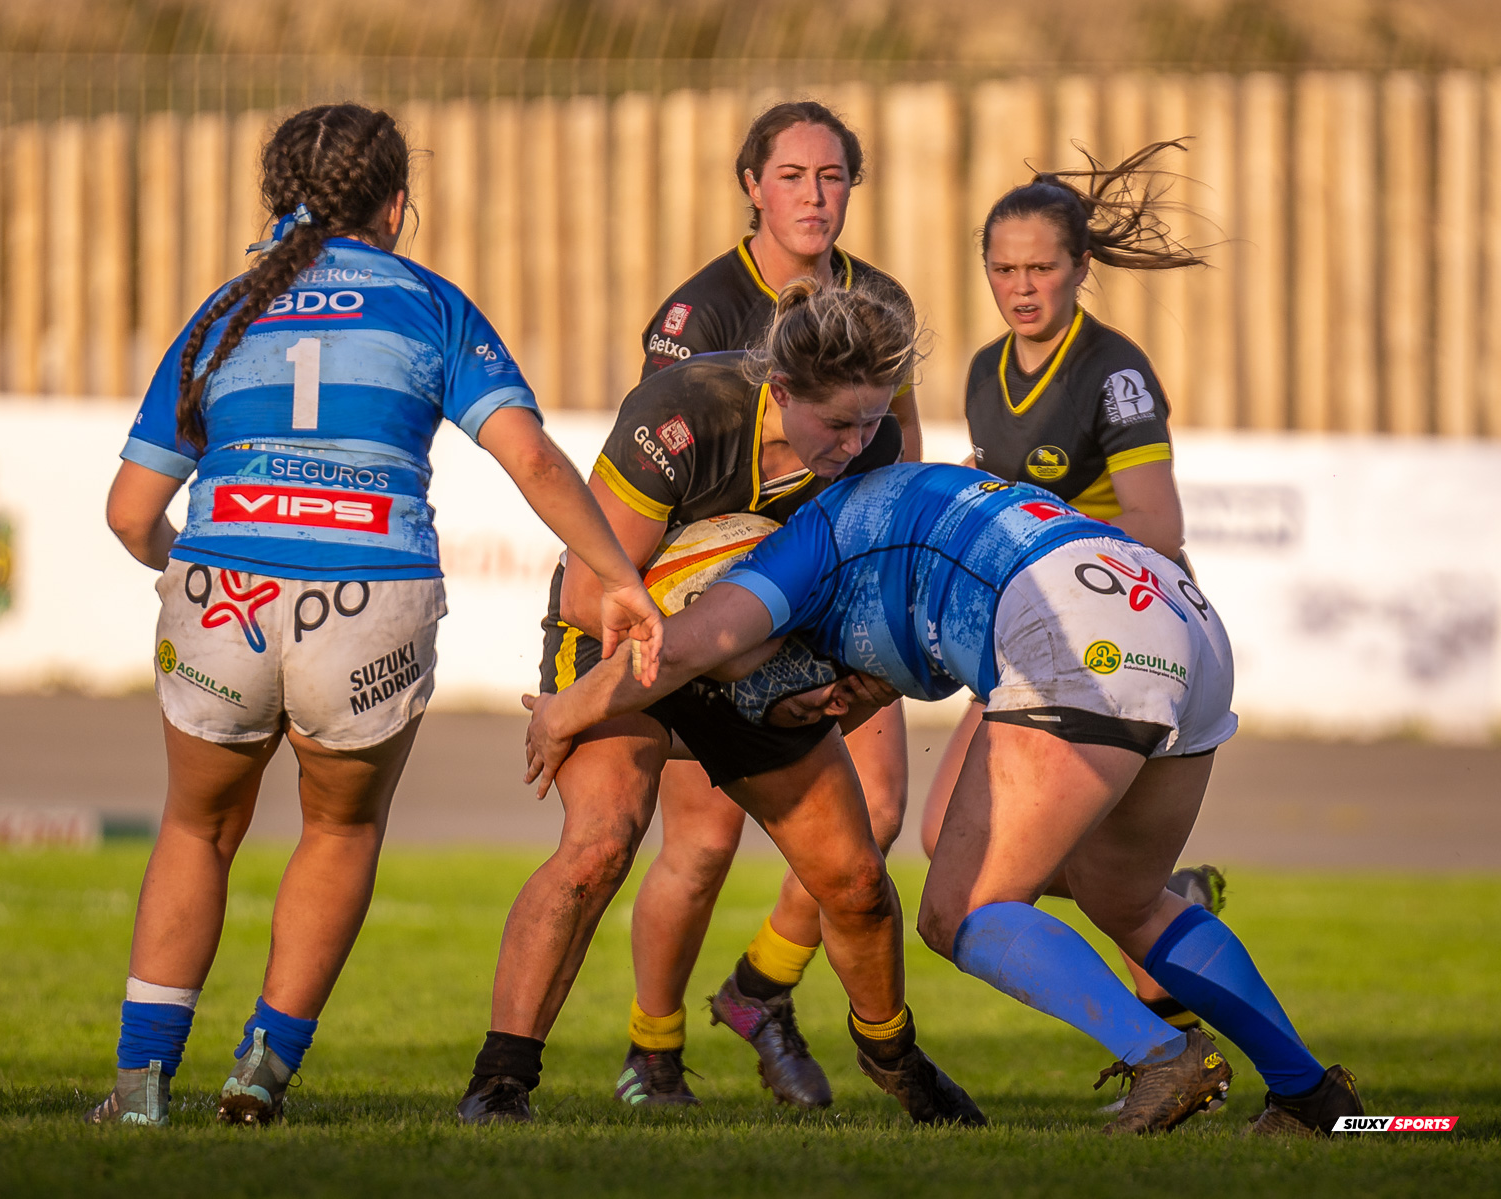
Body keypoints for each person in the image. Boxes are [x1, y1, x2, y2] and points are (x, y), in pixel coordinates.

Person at [88, 102, 662, 1128]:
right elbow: (532, 457)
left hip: (224, 592)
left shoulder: (224, 312)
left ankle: (139, 1090)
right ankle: (261, 1070)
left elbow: (131, 512)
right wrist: (618, 574)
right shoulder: (430, 304)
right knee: (340, 825)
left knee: (196, 826)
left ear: (276, 197)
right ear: (396, 205)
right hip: (371, 597)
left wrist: (198, 566)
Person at [524, 461, 1366, 1137]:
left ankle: (1164, 1056)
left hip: (1083, 633)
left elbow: (682, 648)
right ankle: (1310, 1094)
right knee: (1129, 899)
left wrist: (564, 710)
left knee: (963, 911)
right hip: (1175, 607)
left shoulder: (789, 558)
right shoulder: (870, 546)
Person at [457, 280, 983, 1130]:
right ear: (783, 388)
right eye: (838, 424)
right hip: (618, 640)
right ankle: (499, 1080)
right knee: (601, 841)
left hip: (751, 658)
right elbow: (591, 594)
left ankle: (896, 1059)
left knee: (854, 879)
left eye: (870, 421)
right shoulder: (686, 410)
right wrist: (693, 642)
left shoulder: (873, 445)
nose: (856, 444)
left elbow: (861, 604)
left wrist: (837, 688)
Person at [620, 100, 922, 1110]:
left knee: (877, 815)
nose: (814, 195)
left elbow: (898, 452)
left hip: (831, 603)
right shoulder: (699, 314)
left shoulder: (878, 300)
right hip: (725, 612)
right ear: (752, 185)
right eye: (792, 175)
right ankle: (652, 1049)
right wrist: (713, 628)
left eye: (832, 176)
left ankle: (759, 990)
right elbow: (667, 479)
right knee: (703, 843)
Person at [915, 141, 1228, 1066]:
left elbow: (1158, 526)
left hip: (1114, 637)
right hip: (1034, 633)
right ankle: (1168, 939)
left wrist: (1032, 527)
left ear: (1080, 267)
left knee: (1019, 875)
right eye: (1003, 269)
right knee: (947, 839)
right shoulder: (984, 370)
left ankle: (1163, 1039)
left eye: (1041, 268)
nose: (1022, 288)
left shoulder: (1113, 372)